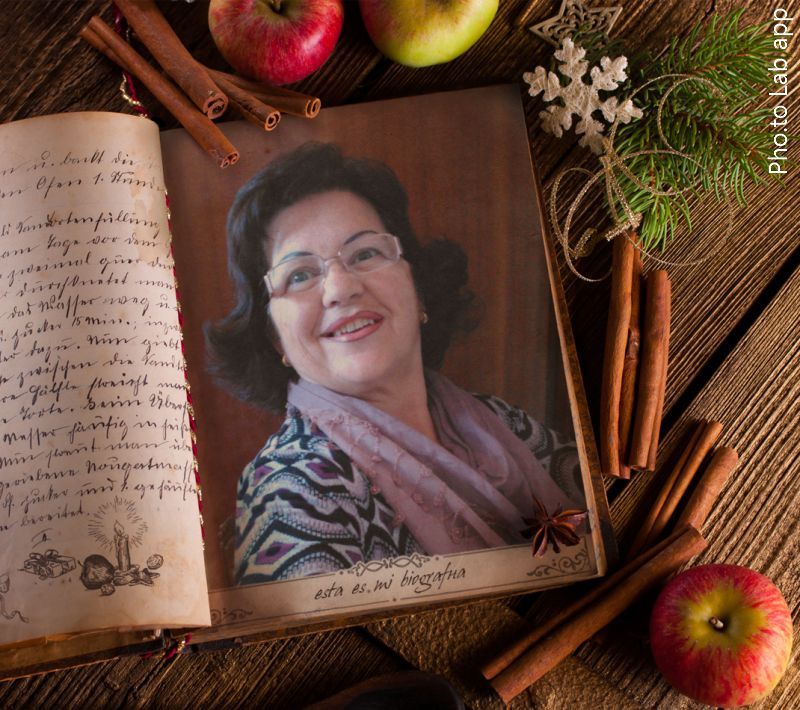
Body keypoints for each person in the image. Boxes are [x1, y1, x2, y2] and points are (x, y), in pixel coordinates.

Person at [205, 142, 584, 585]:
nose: (339, 288)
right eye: (300, 275)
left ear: (418, 288)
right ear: (275, 340)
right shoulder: (293, 491)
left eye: (365, 253)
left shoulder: (501, 422)